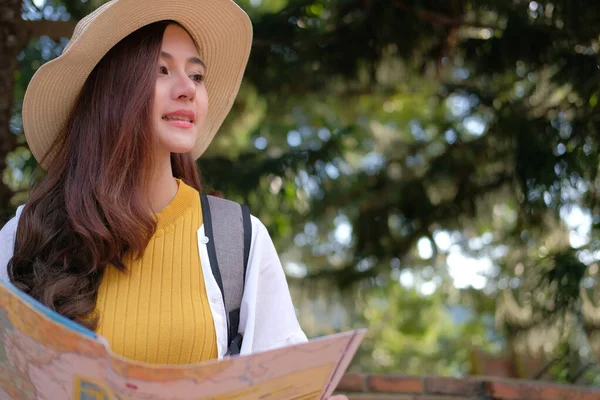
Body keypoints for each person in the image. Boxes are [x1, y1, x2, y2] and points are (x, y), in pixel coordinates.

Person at [0, 0, 347, 398]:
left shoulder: (239, 239)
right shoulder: (27, 233)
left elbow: (288, 383)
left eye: (197, 76)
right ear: (112, 91)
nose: (188, 90)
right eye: (160, 70)